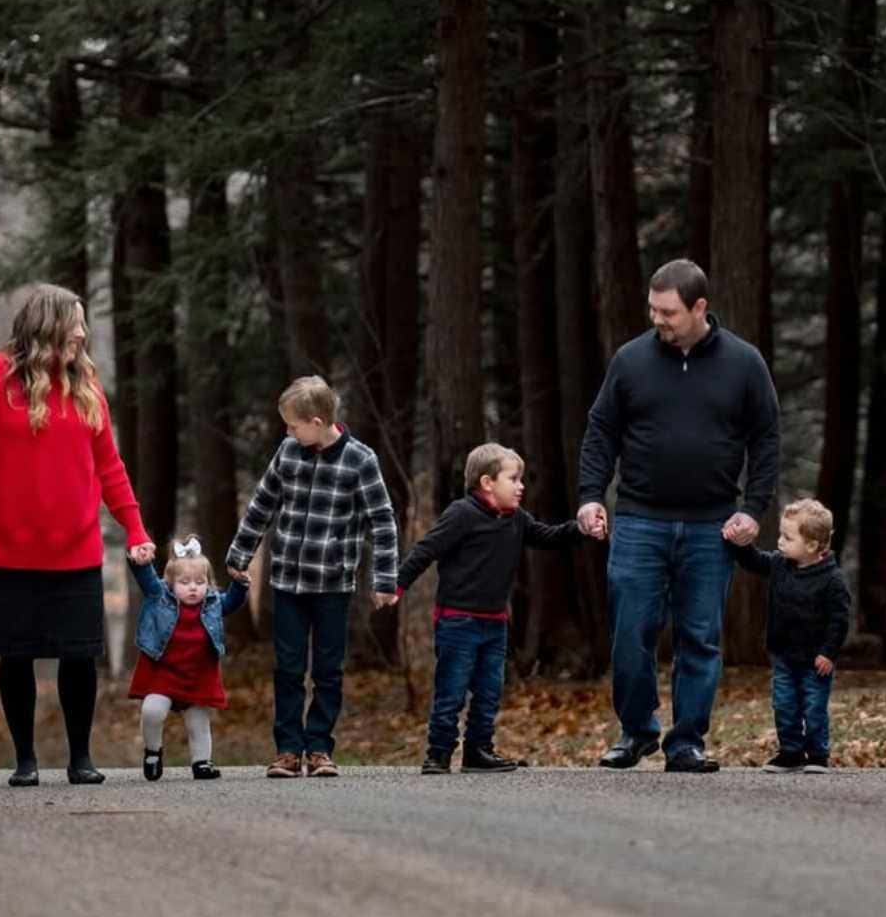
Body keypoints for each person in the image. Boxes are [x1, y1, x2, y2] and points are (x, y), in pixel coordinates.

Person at [0, 283, 155, 787]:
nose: (81, 333)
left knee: (80, 654)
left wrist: (135, 527)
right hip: (2, 548)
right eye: (73, 324)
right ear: (44, 326)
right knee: (18, 654)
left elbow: (110, 466)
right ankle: (26, 760)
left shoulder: (86, 387)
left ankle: (81, 758)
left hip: (73, 548)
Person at [577, 258, 780, 773]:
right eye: (652, 308)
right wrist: (590, 496)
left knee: (700, 636)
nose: (657, 319)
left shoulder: (744, 363)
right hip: (641, 518)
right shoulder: (630, 361)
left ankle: (687, 740)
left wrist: (754, 510)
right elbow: (601, 430)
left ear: (699, 308)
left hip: (712, 523)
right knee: (631, 631)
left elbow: (766, 439)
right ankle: (637, 730)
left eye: (667, 311)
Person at [225, 375, 398, 778]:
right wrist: (239, 554)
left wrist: (385, 579)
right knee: (287, 667)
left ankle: (319, 747)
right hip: (287, 581)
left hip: (333, 584)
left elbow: (382, 522)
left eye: (293, 425)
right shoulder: (288, 453)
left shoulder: (360, 460)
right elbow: (261, 504)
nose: (288, 432)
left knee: (327, 668)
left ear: (317, 422)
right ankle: (288, 749)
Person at [393, 443, 580, 775]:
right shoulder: (461, 514)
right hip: (457, 620)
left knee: (489, 691)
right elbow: (426, 549)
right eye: (514, 478)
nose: (521, 485)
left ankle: (478, 751)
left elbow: (547, 536)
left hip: (495, 623)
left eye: (521, 479)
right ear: (487, 482)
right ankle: (438, 753)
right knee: (451, 691)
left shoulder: (517, 519)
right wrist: (397, 584)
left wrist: (580, 529)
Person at [728, 498, 851, 772]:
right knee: (784, 705)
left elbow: (839, 621)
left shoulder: (832, 580)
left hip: (815, 660)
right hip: (783, 654)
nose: (780, 542)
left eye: (787, 537)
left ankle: (818, 754)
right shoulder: (780, 565)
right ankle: (790, 752)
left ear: (812, 545)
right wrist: (738, 544)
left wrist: (828, 653)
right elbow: (754, 560)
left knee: (814, 709)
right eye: (781, 536)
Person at [126, 536, 249, 781]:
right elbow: (145, 578)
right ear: (170, 584)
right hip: (163, 671)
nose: (193, 587)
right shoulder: (158, 595)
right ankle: (152, 752)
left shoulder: (213, 603)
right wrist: (139, 562)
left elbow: (233, 602)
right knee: (152, 710)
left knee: (198, 722)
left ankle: (201, 762)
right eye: (184, 582)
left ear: (208, 583)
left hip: (198, 674)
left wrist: (240, 584)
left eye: (199, 582)